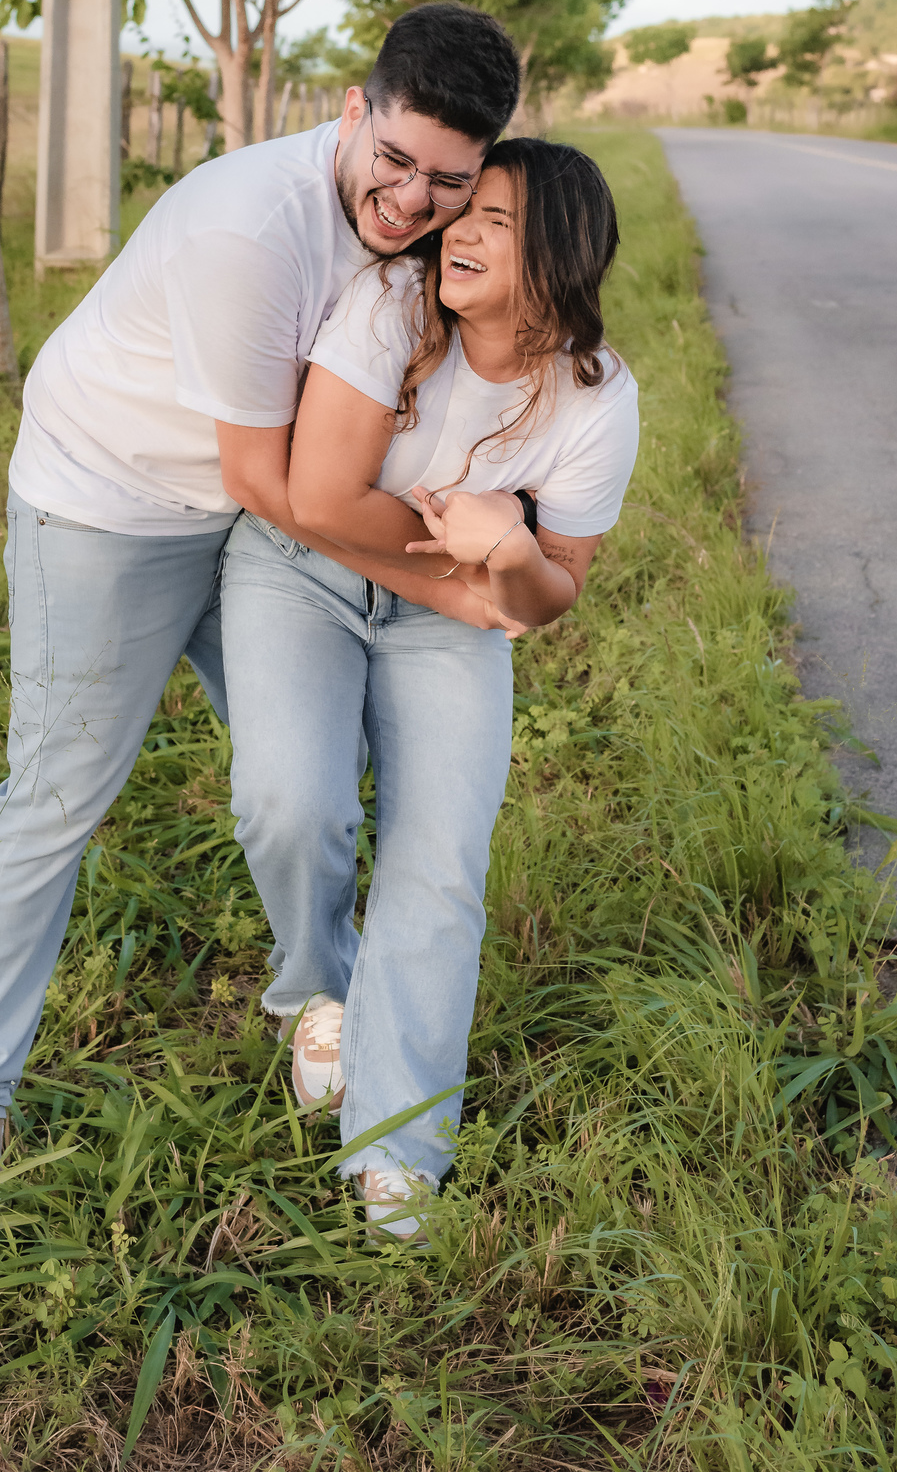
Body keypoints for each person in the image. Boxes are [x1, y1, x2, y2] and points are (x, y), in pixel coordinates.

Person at [0, 4, 524, 1186]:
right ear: (352, 110)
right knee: (59, 796)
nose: (408, 202)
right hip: (114, 506)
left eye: (446, 182)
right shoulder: (250, 228)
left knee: (301, 783)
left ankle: (319, 996)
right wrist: (452, 581)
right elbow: (272, 474)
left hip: (258, 526)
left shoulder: (428, 232)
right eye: (392, 160)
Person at [220, 134, 639, 1240]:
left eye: (499, 222)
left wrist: (505, 547)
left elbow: (552, 597)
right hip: (299, 570)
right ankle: (316, 990)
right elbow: (316, 496)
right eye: (469, 212)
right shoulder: (392, 305)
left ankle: (401, 1138)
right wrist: (468, 582)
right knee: (290, 801)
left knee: (440, 862)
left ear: (558, 256)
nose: (460, 232)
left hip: (448, 614)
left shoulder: (595, 400)